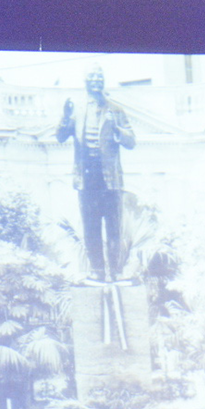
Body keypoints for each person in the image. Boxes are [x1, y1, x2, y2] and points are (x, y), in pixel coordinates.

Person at [55, 64, 136, 282]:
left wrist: (117, 129)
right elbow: (60, 136)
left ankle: (116, 271)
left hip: (110, 180)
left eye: (100, 77)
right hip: (87, 179)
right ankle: (97, 271)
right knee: (90, 228)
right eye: (92, 77)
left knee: (114, 228)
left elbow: (131, 141)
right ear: (86, 82)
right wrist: (65, 116)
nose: (97, 80)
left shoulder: (115, 110)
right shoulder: (77, 111)